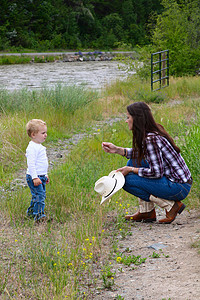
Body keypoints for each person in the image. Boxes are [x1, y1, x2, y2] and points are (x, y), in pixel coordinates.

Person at [102, 102, 192, 224]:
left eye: (128, 117)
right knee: (133, 161)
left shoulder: (150, 139)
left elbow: (156, 172)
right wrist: (118, 150)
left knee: (126, 180)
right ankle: (146, 212)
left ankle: (171, 206)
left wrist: (131, 169)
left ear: (137, 119)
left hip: (178, 187)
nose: (126, 121)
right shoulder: (152, 133)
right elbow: (143, 154)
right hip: (180, 182)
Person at [25, 119, 49, 221]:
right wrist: (35, 177)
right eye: (43, 133)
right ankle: (39, 216)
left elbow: (42, 164)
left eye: (45, 132)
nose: (45, 135)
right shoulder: (32, 148)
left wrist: (45, 175)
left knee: (37, 196)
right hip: (34, 177)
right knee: (40, 197)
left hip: (41, 176)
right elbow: (31, 164)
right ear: (33, 134)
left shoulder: (39, 146)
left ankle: (31, 213)